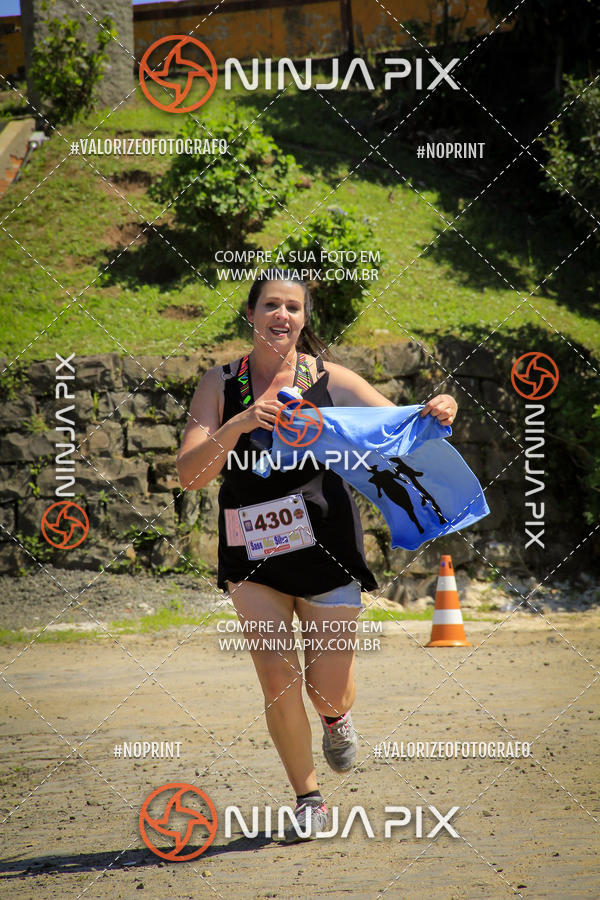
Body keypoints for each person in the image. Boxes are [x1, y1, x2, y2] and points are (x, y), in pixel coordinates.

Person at [176, 271, 457, 842]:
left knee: (326, 687)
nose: (282, 315)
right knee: (275, 675)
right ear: (250, 315)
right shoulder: (219, 383)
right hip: (252, 553)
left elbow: (398, 426)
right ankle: (308, 798)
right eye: (271, 305)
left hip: (327, 546)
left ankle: (335, 718)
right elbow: (190, 474)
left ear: (304, 319)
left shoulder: (332, 379)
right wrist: (241, 422)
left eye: (293, 307)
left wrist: (439, 407)